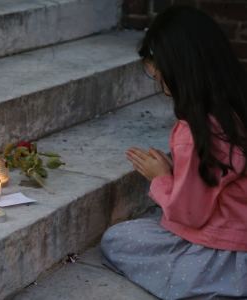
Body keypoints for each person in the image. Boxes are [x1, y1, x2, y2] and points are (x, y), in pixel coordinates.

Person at [100, 6, 247, 300]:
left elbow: (190, 215)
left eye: (157, 72)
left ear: (178, 69)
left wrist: (163, 179)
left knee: (117, 240)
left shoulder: (196, 133)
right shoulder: (234, 111)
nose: (157, 80)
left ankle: (219, 285)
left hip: (227, 254)